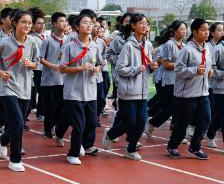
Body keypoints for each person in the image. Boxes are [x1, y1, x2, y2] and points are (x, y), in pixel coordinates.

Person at [102, 13, 158, 161]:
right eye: (141, 23)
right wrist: (135, 69)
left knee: (141, 121)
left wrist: (152, 66)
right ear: (133, 26)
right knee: (130, 121)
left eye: (146, 23)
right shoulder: (128, 45)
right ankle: (110, 134)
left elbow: (147, 65)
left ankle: (130, 148)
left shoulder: (147, 45)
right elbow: (120, 68)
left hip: (143, 90)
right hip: (128, 90)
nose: (145, 26)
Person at [0, 10, 39, 172]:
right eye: (23, 22)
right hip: (8, 87)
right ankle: (15, 159)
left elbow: (37, 63)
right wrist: (0, 73)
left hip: (25, 87)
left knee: (18, 123)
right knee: (18, 123)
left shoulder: (32, 42)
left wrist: (31, 64)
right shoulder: (5, 43)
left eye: (29, 23)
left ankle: (2, 139)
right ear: (15, 23)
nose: (27, 25)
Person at [60, 14, 102, 165]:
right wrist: (80, 68)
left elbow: (99, 64)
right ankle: (72, 154)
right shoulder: (69, 46)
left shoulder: (95, 46)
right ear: (77, 27)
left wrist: (97, 69)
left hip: (90, 91)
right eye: (85, 23)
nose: (89, 26)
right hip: (73, 92)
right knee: (79, 124)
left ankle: (79, 142)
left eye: (91, 23)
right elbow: (63, 69)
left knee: (91, 122)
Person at [167, 18, 212, 160]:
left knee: (205, 119)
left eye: (208, 30)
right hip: (186, 94)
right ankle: (172, 146)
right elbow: (179, 70)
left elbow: (207, 66)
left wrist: (209, 72)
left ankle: (194, 147)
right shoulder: (187, 49)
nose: (207, 33)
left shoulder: (207, 48)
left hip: (203, 92)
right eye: (203, 30)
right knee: (182, 124)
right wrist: (194, 70)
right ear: (194, 31)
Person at [145, 20, 187, 137]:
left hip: (181, 81)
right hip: (169, 81)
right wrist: (183, 65)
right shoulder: (169, 44)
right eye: (181, 29)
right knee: (172, 107)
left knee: (172, 108)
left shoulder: (184, 46)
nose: (184, 31)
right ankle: (150, 118)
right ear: (174, 31)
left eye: (185, 29)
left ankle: (152, 121)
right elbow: (166, 64)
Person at [39, 12, 67, 138]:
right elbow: (40, 58)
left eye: (65, 21)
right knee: (49, 107)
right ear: (55, 24)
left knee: (61, 106)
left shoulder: (68, 41)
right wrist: (52, 65)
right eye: (61, 21)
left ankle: (56, 127)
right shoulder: (48, 41)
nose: (64, 23)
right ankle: (48, 129)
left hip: (63, 80)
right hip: (49, 80)